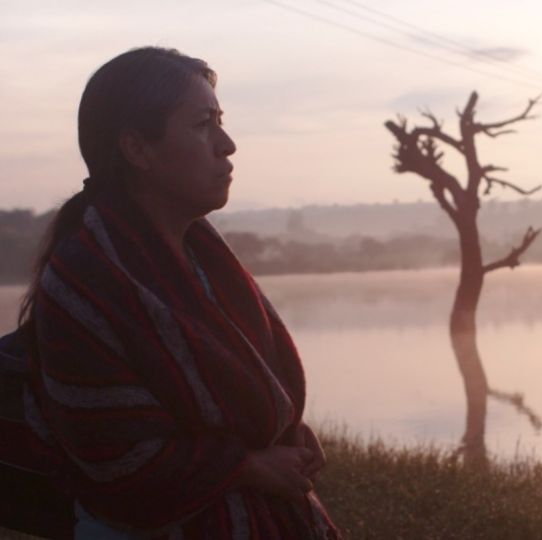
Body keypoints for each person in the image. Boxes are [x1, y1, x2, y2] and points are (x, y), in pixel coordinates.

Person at [11, 46, 340, 539]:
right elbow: (119, 460)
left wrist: (283, 436)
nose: (226, 144)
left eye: (221, 121)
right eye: (203, 123)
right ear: (137, 149)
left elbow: (241, 400)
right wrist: (249, 465)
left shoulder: (201, 261)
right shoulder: (87, 281)